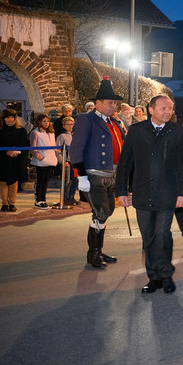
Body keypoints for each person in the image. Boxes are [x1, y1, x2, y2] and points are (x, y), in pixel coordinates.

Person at [116, 95, 183, 294]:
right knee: (148, 237)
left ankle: (166, 275)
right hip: (142, 193)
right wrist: (122, 191)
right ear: (151, 109)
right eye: (163, 108)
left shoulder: (177, 132)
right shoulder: (136, 131)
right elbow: (125, 162)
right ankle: (154, 277)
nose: (168, 112)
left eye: (171, 108)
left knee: (162, 233)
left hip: (168, 193)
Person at [70, 77, 127, 269]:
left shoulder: (115, 123)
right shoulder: (86, 120)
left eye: (115, 103)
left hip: (112, 176)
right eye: (110, 103)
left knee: (106, 212)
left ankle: (98, 251)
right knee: (101, 212)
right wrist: (81, 176)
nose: (114, 106)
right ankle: (93, 253)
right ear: (98, 103)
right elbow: (76, 149)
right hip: (94, 176)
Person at [0, 109, 30, 212]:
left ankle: (12, 203)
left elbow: (24, 144)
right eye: (7, 117)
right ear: (3, 118)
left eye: (12, 117)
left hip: (16, 159)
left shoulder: (21, 130)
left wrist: (16, 151)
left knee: (14, 182)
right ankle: (4, 203)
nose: (10, 119)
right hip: (2, 160)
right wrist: (6, 151)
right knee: (3, 181)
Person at [30, 113, 58, 209]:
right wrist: (39, 156)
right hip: (41, 161)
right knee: (40, 181)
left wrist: (55, 156)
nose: (46, 123)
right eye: (44, 121)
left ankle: (43, 199)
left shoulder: (51, 133)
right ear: (39, 122)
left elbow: (54, 146)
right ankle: (38, 200)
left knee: (46, 181)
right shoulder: (35, 133)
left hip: (50, 160)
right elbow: (33, 147)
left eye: (48, 121)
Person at [56, 116, 79, 206]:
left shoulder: (77, 135)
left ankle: (71, 197)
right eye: (68, 124)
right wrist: (63, 161)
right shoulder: (62, 136)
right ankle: (65, 198)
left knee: (75, 180)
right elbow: (58, 150)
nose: (70, 126)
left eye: (71, 124)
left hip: (76, 162)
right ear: (64, 126)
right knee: (66, 181)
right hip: (67, 162)